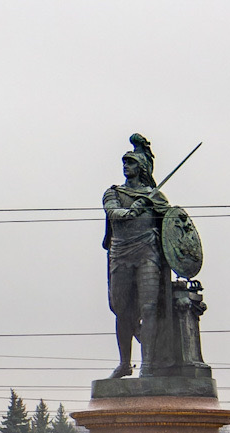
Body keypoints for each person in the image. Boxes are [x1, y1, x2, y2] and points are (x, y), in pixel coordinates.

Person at [103, 134, 172, 378]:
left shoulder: (155, 197)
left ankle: (148, 364)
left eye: (131, 162)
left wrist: (151, 206)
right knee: (122, 310)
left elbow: (171, 226)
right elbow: (112, 212)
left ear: (141, 168)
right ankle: (124, 363)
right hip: (121, 254)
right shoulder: (113, 193)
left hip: (147, 253)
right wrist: (132, 211)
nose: (126, 166)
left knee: (149, 308)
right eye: (124, 162)